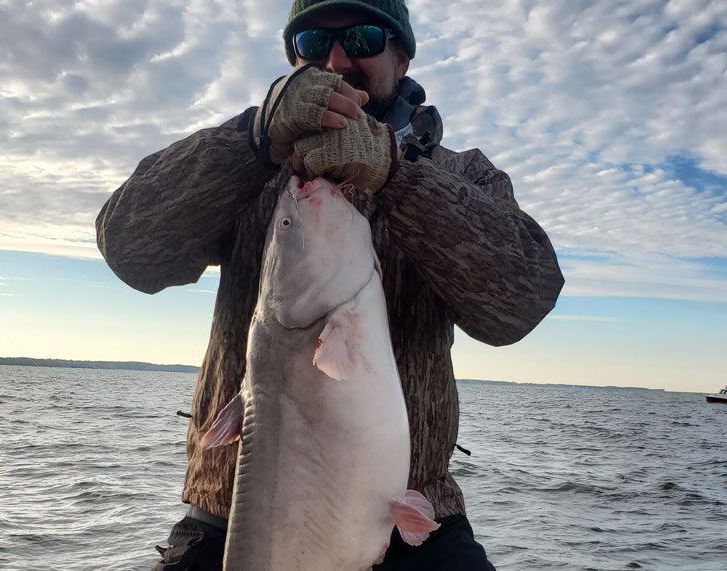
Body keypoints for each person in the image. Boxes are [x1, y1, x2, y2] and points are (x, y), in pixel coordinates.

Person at [96, 0, 565, 569]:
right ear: (294, 58)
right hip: (238, 519)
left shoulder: (464, 175)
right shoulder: (249, 164)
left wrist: (400, 178)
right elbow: (131, 248)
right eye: (314, 44)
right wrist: (250, 140)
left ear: (403, 53)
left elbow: (520, 302)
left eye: (363, 37)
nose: (338, 58)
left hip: (413, 523)